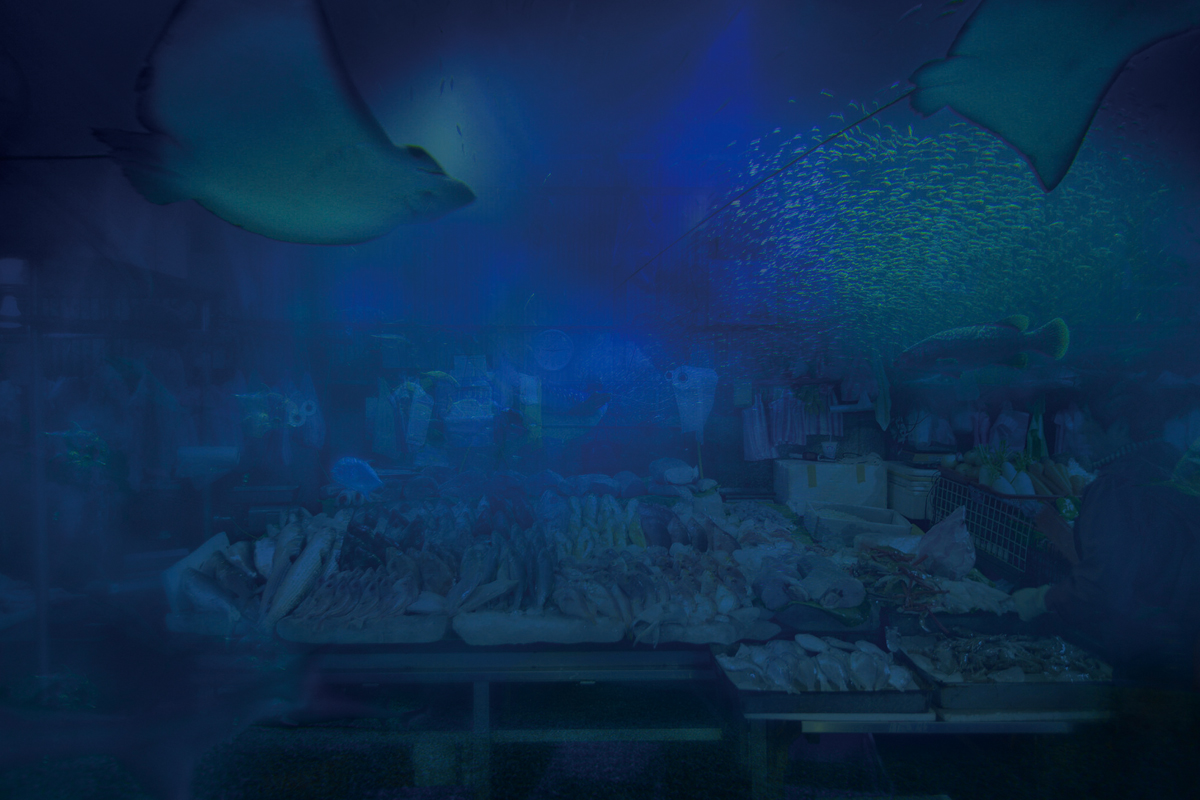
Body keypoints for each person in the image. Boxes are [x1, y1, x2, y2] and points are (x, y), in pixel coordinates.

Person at [1012, 441, 1200, 687]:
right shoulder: (1167, 483)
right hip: (1184, 646)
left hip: (1155, 652)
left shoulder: (1114, 489)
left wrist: (1043, 600)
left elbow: (1103, 583)